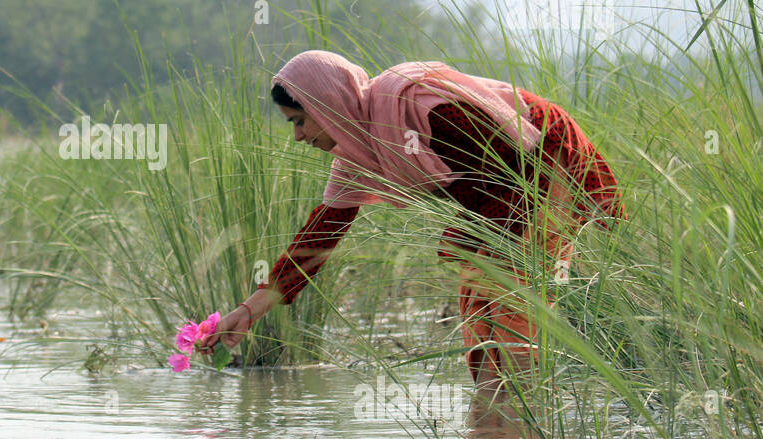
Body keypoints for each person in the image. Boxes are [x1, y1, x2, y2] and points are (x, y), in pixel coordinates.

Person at [195, 50, 627, 392]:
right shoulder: (359, 147)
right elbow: (321, 235)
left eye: (300, 121)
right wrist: (248, 313)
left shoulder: (412, 102)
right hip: (498, 197)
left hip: (544, 167)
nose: (299, 137)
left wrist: (489, 249)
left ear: (326, 105)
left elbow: (509, 160)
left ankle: (517, 434)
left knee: (509, 308)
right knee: (480, 314)